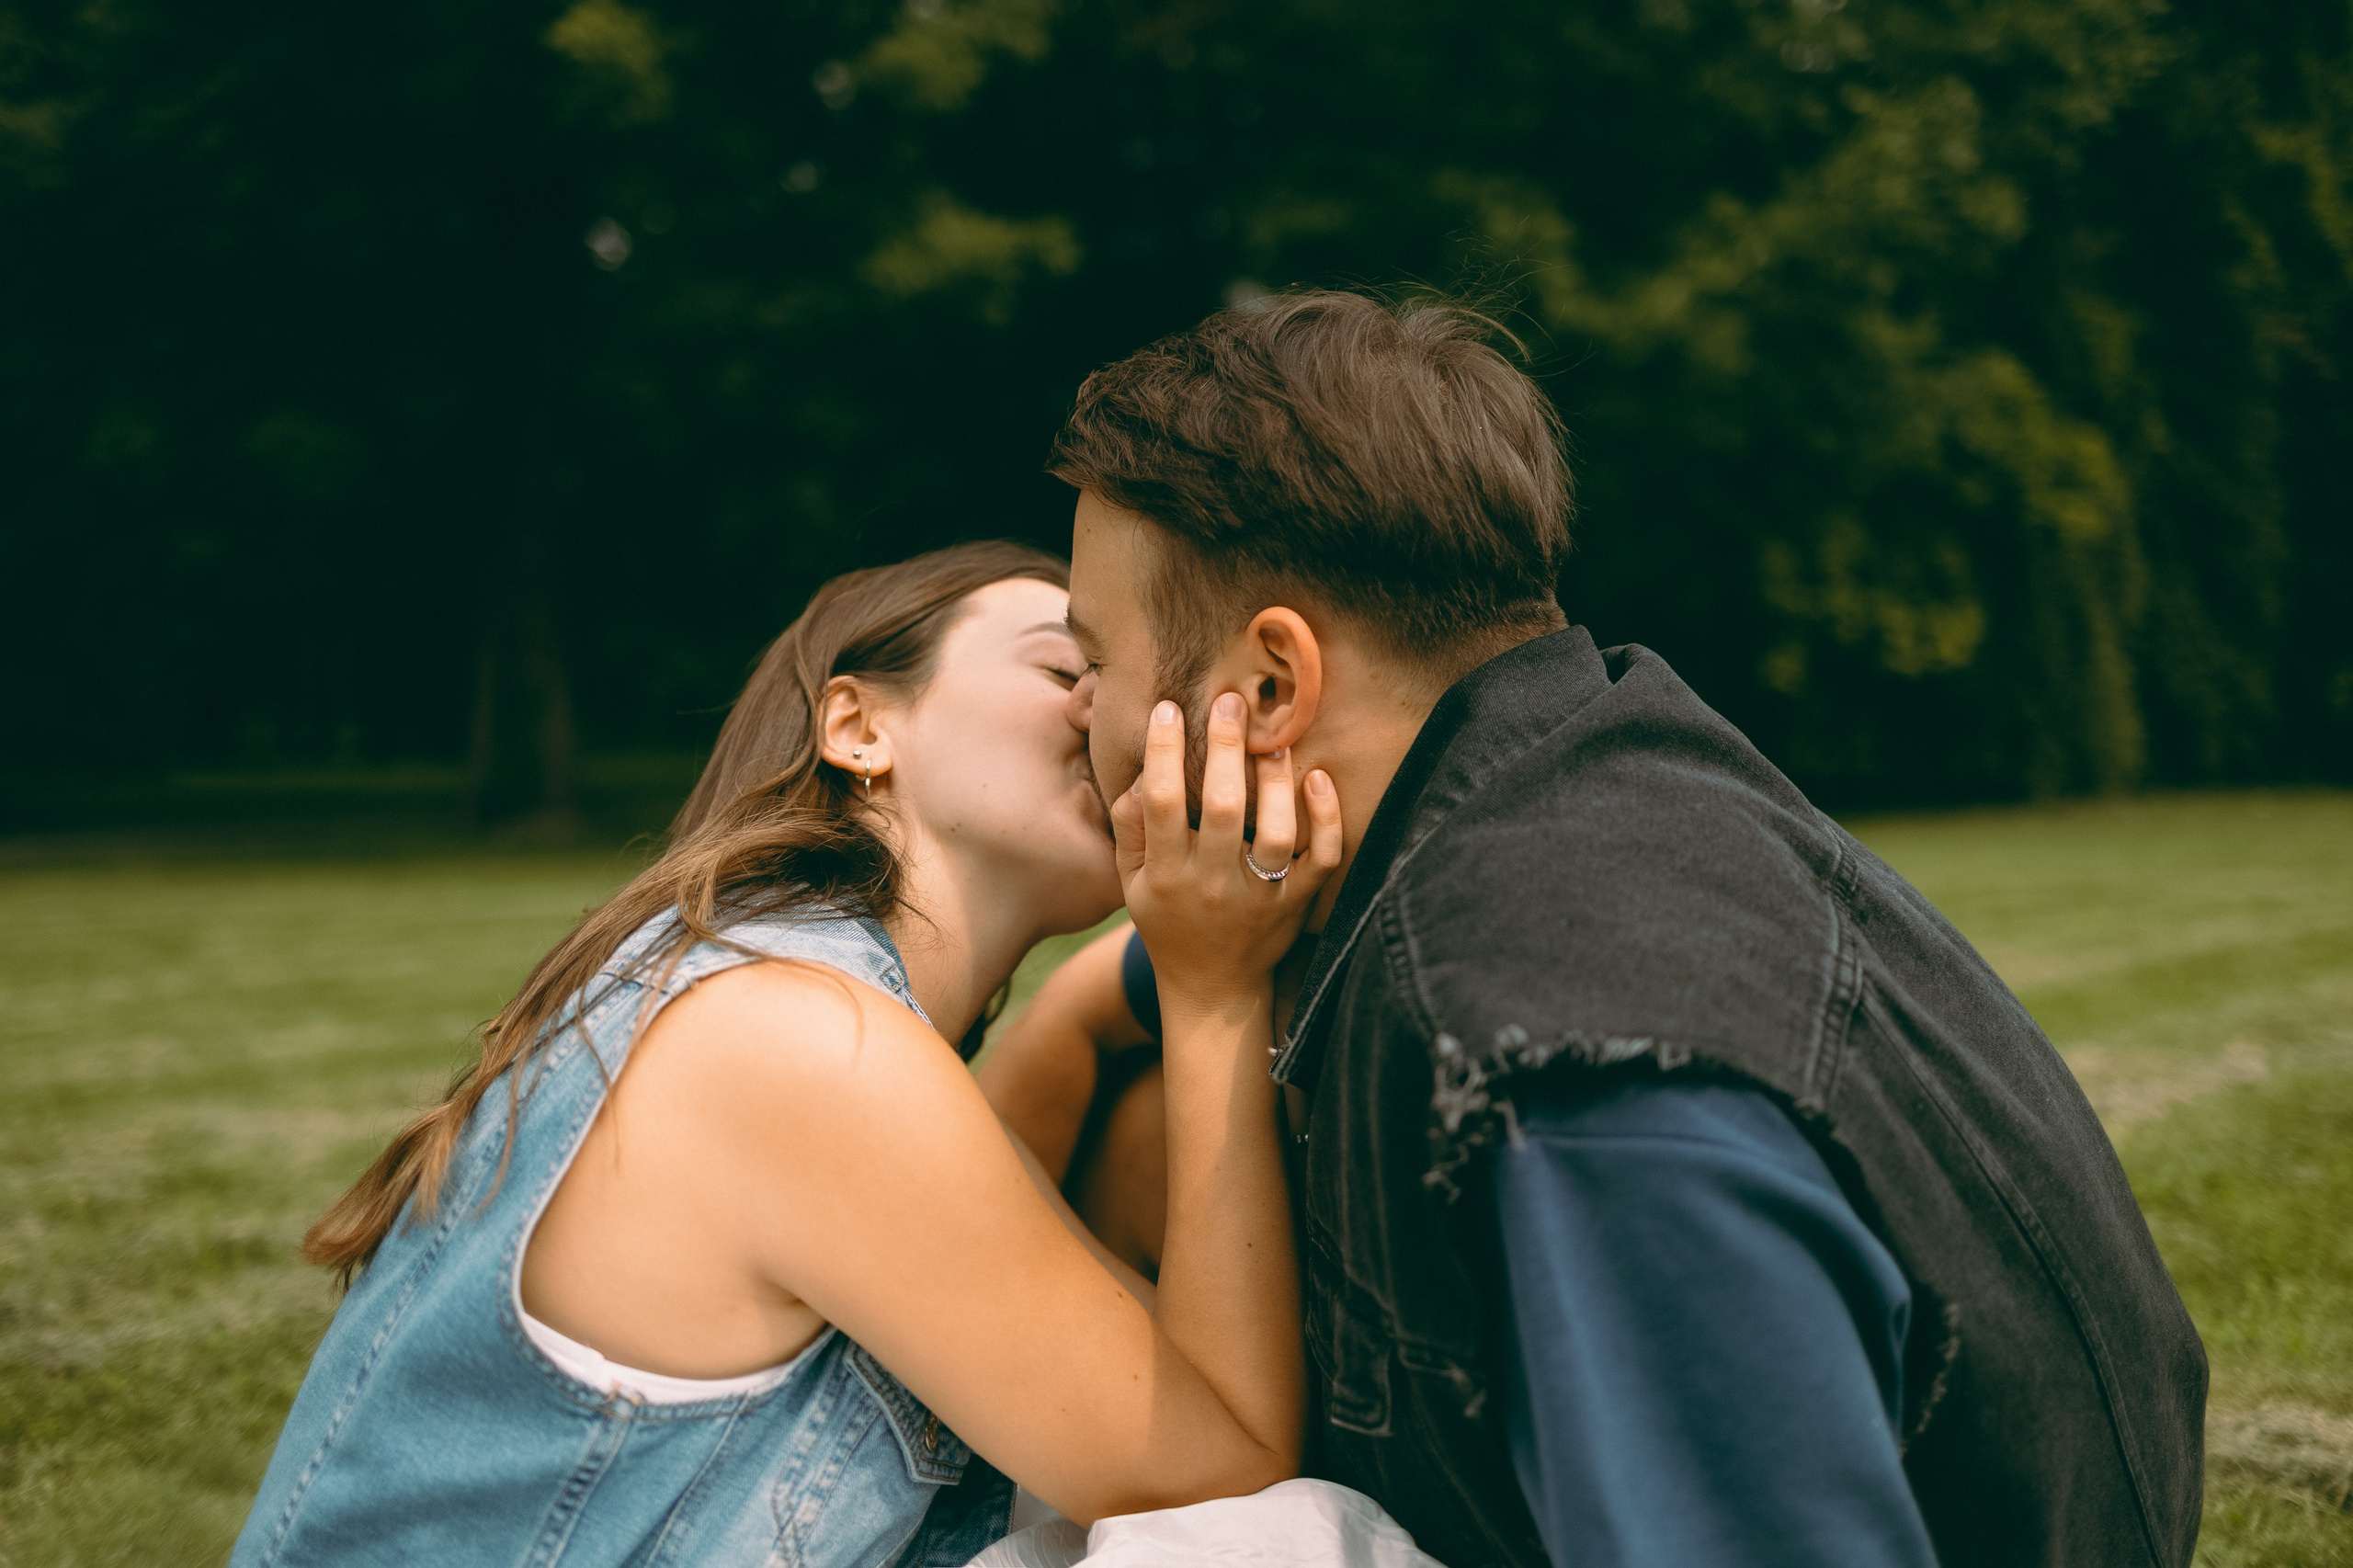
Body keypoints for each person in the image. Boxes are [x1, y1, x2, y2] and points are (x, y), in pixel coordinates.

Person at [1036, 290, 2209, 1568]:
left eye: (1095, 658)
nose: (1077, 708)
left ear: (1268, 688)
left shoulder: (1559, 1063)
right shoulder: (1588, 768)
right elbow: (1140, 993)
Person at [229, 540, 1343, 1568]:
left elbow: (1086, 1295)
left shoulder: (760, 991)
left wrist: (1105, 1004)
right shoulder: (798, 1041)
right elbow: (1221, 1474)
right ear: (858, 726)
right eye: (1068, 665)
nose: (1113, 704)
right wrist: (1208, 992)